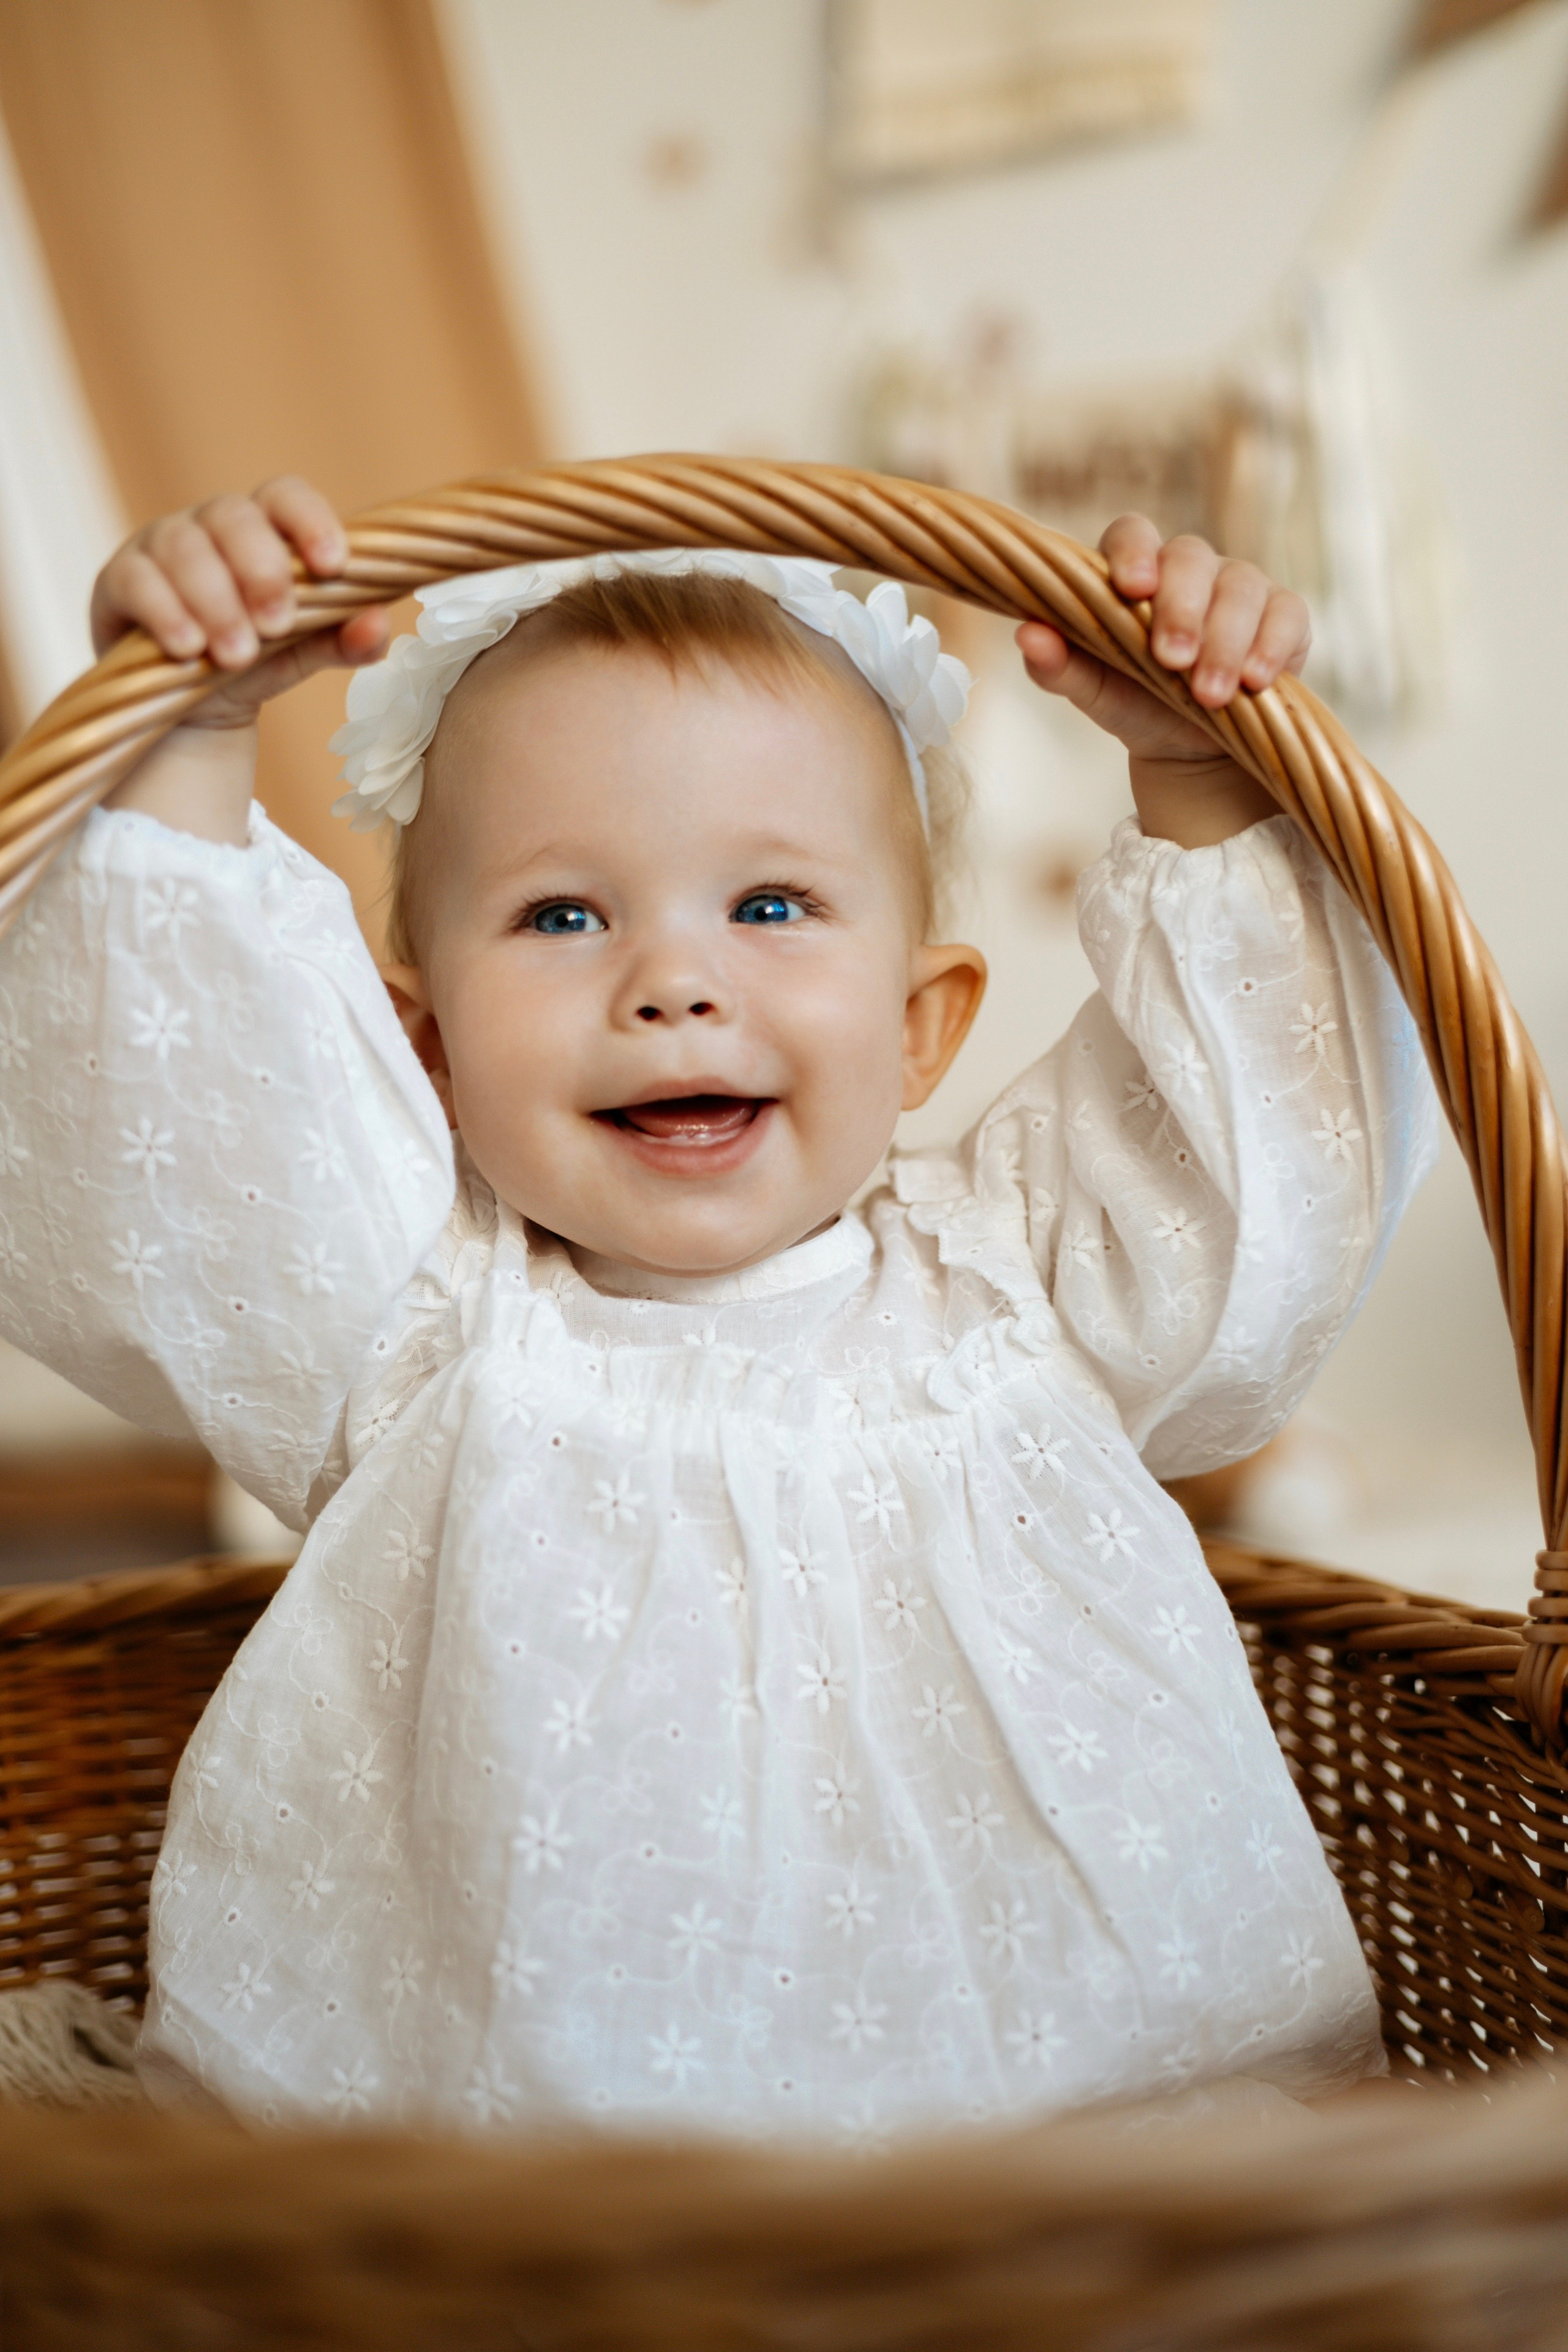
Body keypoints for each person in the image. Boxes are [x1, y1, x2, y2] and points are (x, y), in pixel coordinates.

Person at [0, 478, 1437, 2139]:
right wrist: (192, 720)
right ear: (428, 1054)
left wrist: (1196, 768)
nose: (672, 982)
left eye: (768, 907)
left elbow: (1258, 1157)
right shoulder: (416, 1325)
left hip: (1076, 2119)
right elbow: (193, 1134)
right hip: (522, 2155)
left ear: (921, 1027)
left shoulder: (1024, 1278)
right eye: (561, 914)